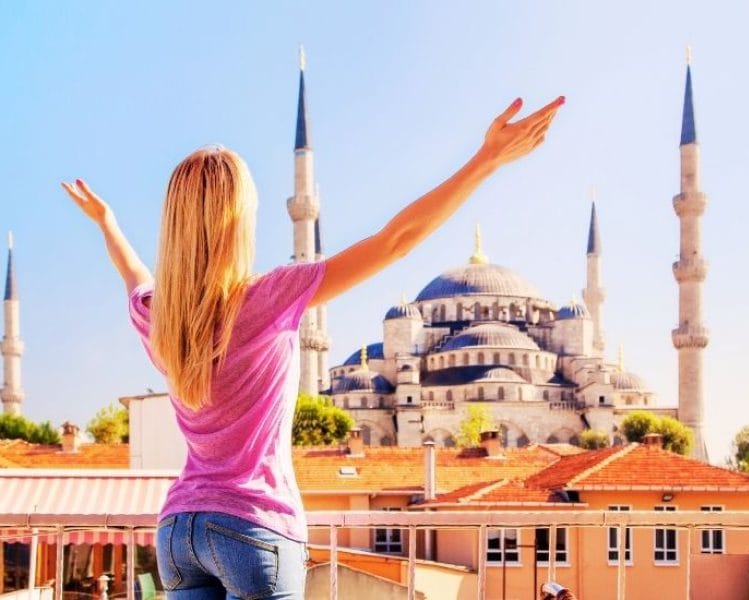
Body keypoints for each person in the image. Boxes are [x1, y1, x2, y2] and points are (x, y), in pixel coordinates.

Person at [62, 94, 564, 599]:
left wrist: (107, 223)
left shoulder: (159, 315)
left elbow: (134, 274)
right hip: (253, 525)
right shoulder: (268, 297)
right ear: (239, 220)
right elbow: (395, 240)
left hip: (178, 531)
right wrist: (485, 160)